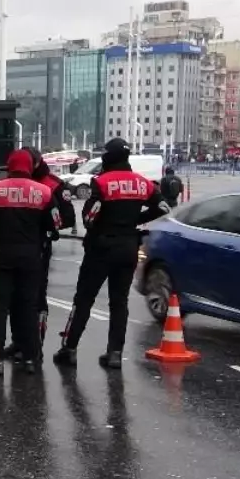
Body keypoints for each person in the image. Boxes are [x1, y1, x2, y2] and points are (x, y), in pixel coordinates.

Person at [53, 139, 170, 369]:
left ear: (109, 157)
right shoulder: (142, 183)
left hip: (101, 248)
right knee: (119, 303)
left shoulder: (102, 183)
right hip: (128, 248)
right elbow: (163, 207)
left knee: (84, 299)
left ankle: (70, 348)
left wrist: (104, 222)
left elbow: (89, 219)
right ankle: (115, 353)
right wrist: (135, 220)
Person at [0, 149, 62, 377]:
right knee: (28, 307)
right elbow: (56, 225)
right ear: (30, 167)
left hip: (2, 255)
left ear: (9, 165)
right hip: (31, 257)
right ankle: (30, 359)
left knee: (0, 309)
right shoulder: (44, 192)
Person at [3, 148, 77, 361]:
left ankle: (35, 345)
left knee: (36, 297)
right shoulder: (15, 180)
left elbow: (68, 218)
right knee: (15, 297)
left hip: (38, 247)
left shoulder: (52, 184)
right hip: (15, 247)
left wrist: (46, 228)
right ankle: (18, 341)